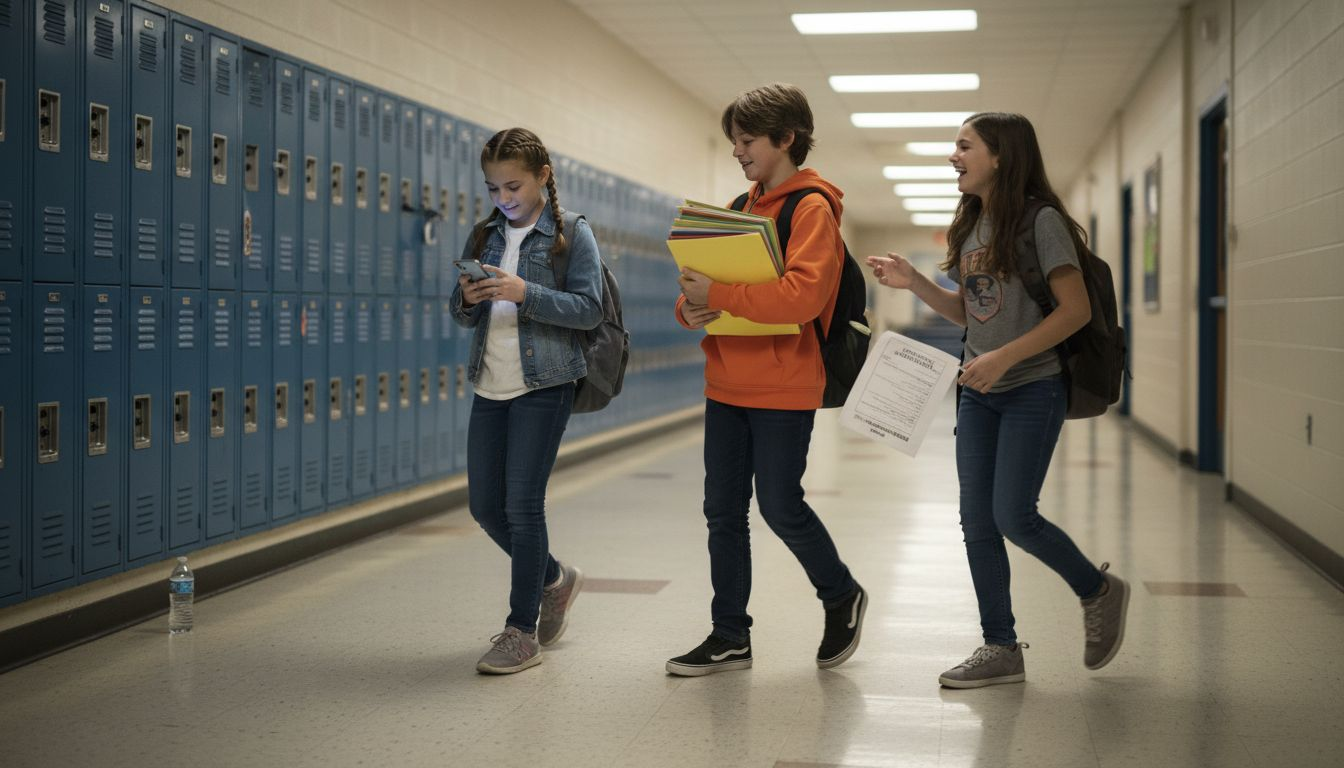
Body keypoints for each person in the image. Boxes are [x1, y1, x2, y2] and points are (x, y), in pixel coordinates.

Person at [866, 112, 1130, 688]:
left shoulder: (1043, 222)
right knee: (976, 521)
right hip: (978, 393)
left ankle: (1098, 589)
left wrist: (1004, 358)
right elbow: (971, 311)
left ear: (1001, 156)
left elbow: (1076, 311)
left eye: (964, 146)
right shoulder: (972, 226)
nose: (953, 156)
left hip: (1032, 386)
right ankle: (1001, 645)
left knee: (1013, 514)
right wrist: (914, 282)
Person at [669, 83, 866, 677]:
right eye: (734, 140)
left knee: (780, 504)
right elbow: (701, 288)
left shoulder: (812, 208)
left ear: (786, 139)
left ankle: (840, 594)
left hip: (785, 381)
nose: (737, 151)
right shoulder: (740, 205)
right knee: (722, 511)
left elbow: (803, 296)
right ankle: (730, 634)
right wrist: (692, 308)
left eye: (748, 140)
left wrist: (721, 294)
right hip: (726, 380)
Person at [450, 127, 603, 674]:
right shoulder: (484, 235)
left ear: (543, 176)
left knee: (522, 505)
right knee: (485, 507)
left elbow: (589, 310)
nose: (503, 198)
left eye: (513, 185)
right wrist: (468, 297)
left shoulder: (570, 235)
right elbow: (461, 312)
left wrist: (525, 293)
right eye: (493, 188)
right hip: (490, 381)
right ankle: (554, 579)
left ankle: (521, 631)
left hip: (545, 383)